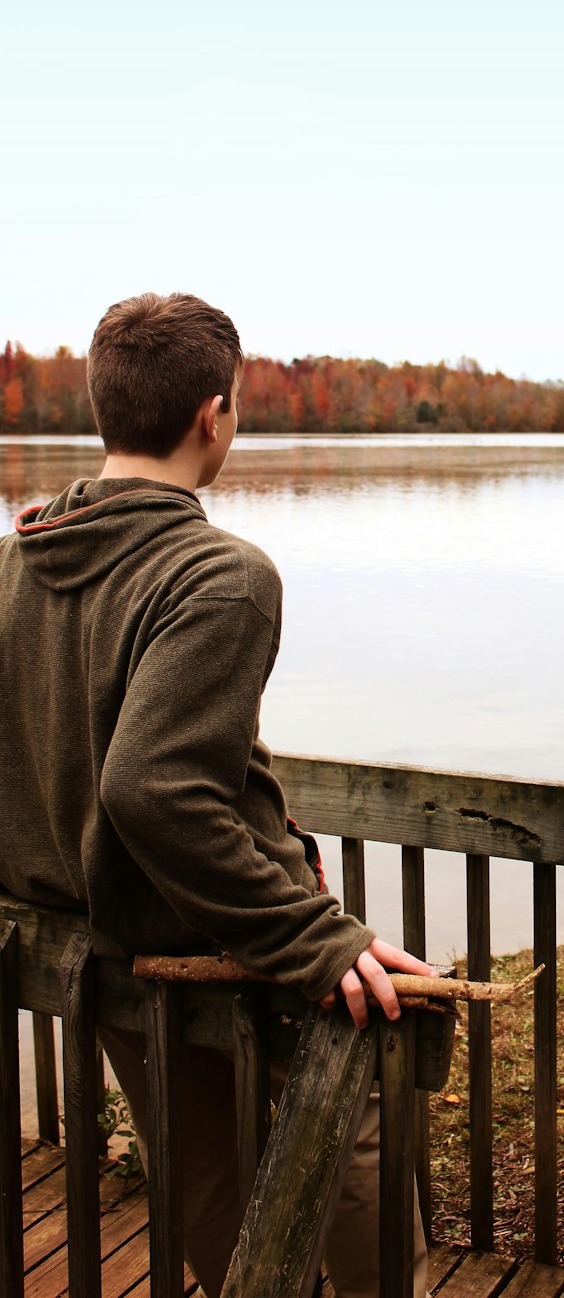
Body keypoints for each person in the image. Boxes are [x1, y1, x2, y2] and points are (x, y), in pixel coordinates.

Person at [0, 291, 432, 1297]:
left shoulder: (19, 564)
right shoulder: (220, 575)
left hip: (97, 945)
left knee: (196, 1164)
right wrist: (311, 936)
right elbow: (152, 785)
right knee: (354, 1130)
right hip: (214, 938)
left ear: (105, 412)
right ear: (214, 414)